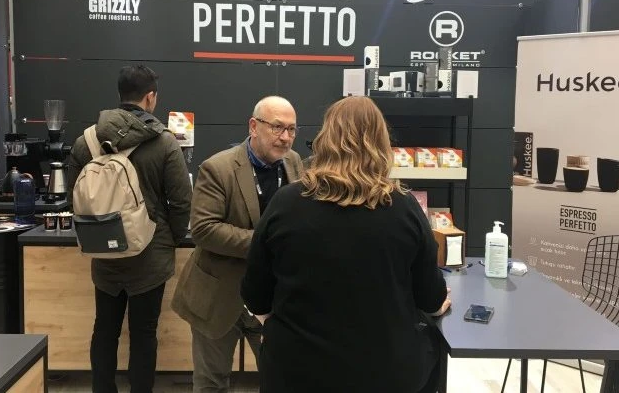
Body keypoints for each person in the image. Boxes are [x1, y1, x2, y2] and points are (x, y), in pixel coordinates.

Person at [241, 96, 451, 393]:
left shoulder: (286, 203)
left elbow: (255, 295)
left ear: (326, 139)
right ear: (381, 144)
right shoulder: (404, 207)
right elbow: (430, 298)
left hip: (297, 371)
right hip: (385, 372)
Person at [66, 65, 192, 393]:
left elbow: (74, 196)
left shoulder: (87, 141)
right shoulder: (164, 143)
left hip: (103, 251)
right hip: (150, 255)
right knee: (144, 334)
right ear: (150, 97)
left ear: (120, 94)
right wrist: (173, 239)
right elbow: (181, 202)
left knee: (104, 330)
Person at [171, 96, 304, 393]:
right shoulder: (217, 168)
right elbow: (204, 229)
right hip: (219, 296)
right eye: (277, 127)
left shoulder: (294, 163)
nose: (285, 138)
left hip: (274, 298)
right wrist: (265, 244)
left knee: (282, 378)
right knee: (211, 383)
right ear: (254, 126)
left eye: (292, 130)